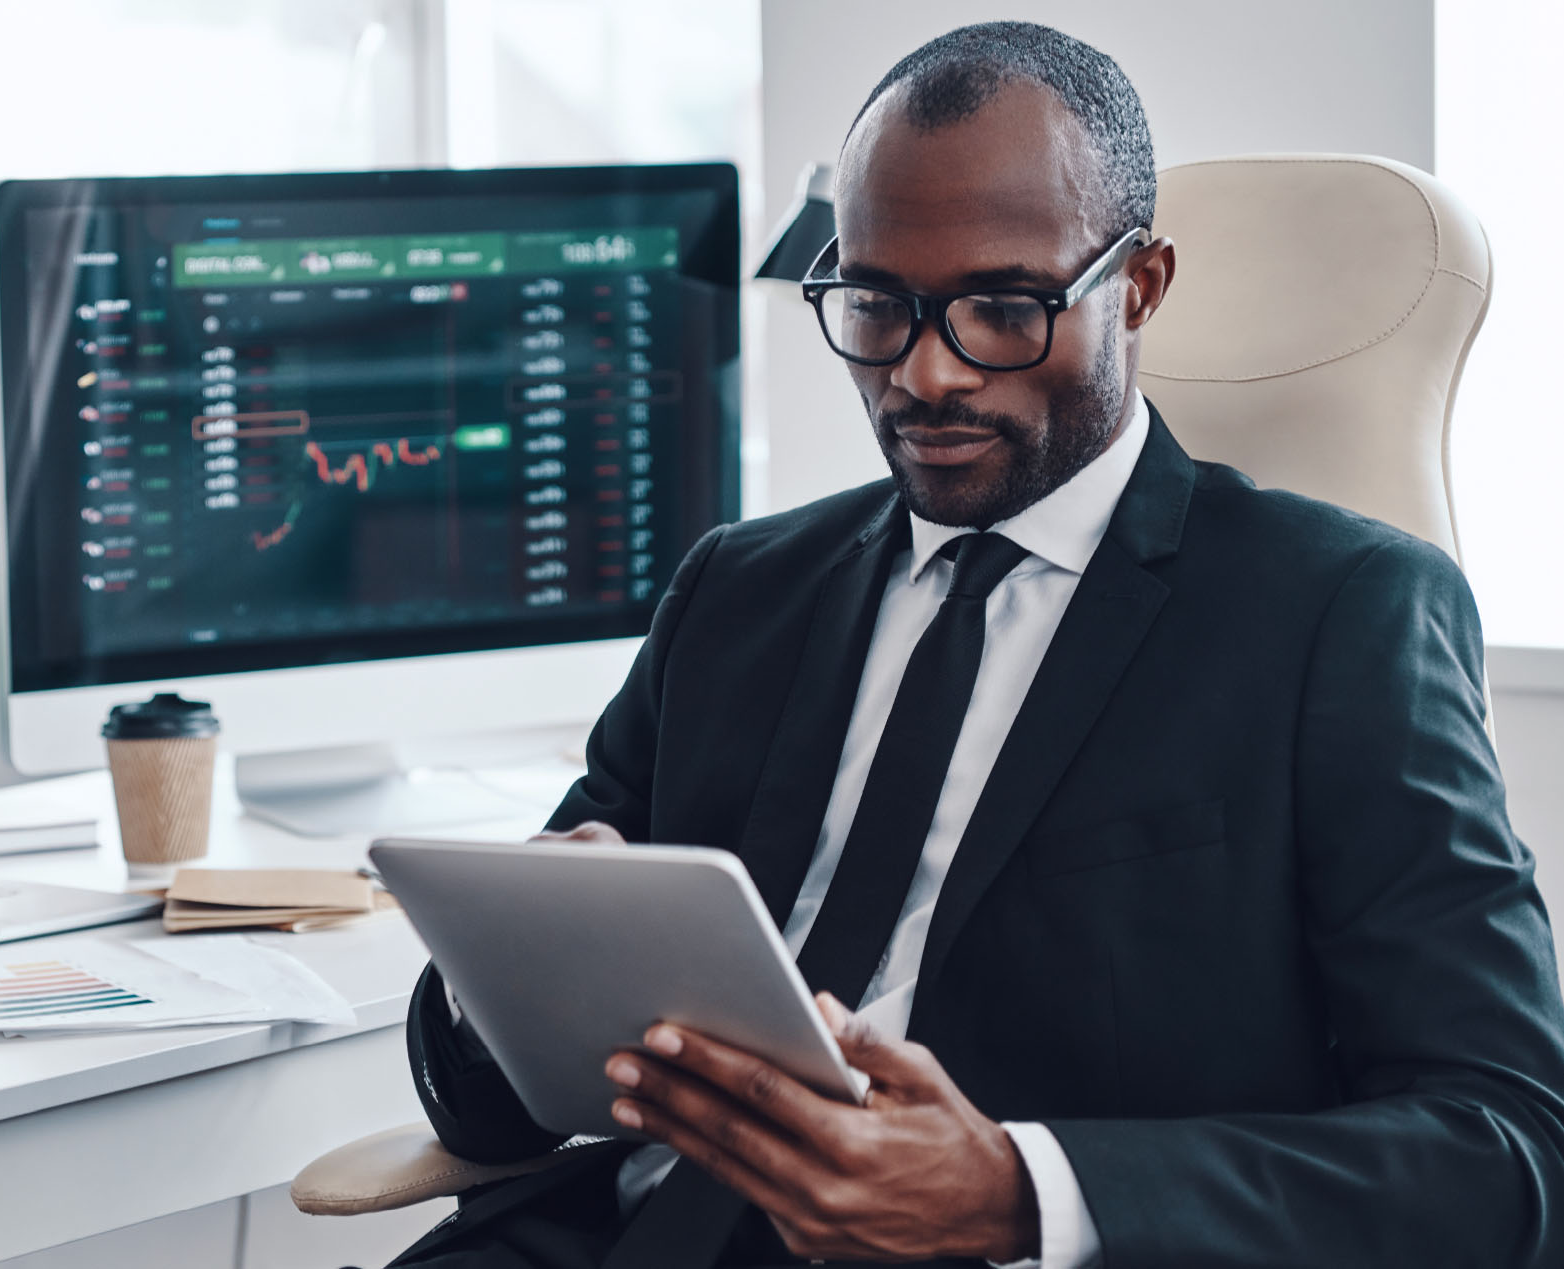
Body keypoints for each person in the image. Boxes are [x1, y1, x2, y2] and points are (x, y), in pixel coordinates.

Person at [387, 20, 1564, 1269]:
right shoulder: (737, 592)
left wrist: (1019, 1190)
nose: (928, 377)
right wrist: (505, 982)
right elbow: (495, 1102)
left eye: (1002, 309)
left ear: (1142, 285)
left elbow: (1509, 1151)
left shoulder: (1341, 614)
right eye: (877, 306)